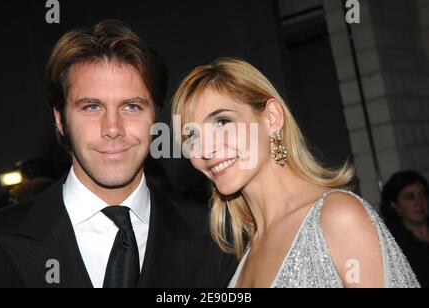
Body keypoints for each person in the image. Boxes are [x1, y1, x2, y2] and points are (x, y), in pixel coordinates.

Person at [0, 20, 236, 288]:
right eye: (91, 107)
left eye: (132, 107)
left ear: (155, 117)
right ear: (60, 119)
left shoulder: (218, 240)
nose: (113, 128)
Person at [171, 58, 419, 288]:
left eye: (223, 122)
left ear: (272, 117)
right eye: (191, 136)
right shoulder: (244, 252)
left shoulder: (338, 218)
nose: (205, 148)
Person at [381, 171, 429, 288]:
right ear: (394, 205)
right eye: (410, 197)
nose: (419, 203)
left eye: (423, 195)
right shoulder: (394, 246)